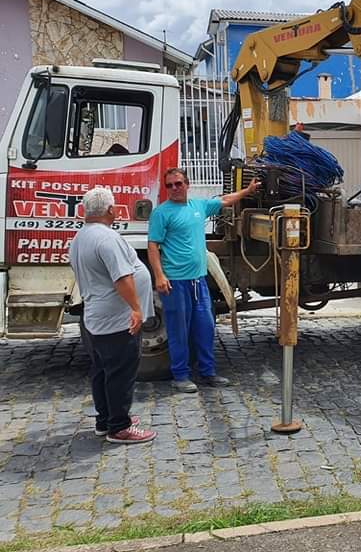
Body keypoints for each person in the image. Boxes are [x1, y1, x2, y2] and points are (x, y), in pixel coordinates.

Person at [147, 167, 259, 393]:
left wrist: (247, 191)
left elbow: (225, 200)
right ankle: (180, 376)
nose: (174, 188)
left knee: (205, 326)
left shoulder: (198, 206)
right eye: (169, 185)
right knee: (178, 329)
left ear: (187, 184)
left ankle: (208, 372)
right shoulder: (161, 213)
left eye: (178, 183)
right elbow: (152, 246)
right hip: (175, 282)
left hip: (198, 281)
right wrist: (159, 275)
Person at [70, 187, 156, 444]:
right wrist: (136, 309)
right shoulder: (107, 239)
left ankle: (104, 418)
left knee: (102, 370)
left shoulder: (81, 236)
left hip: (97, 316)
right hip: (116, 318)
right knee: (121, 372)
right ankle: (119, 427)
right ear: (111, 210)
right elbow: (122, 277)